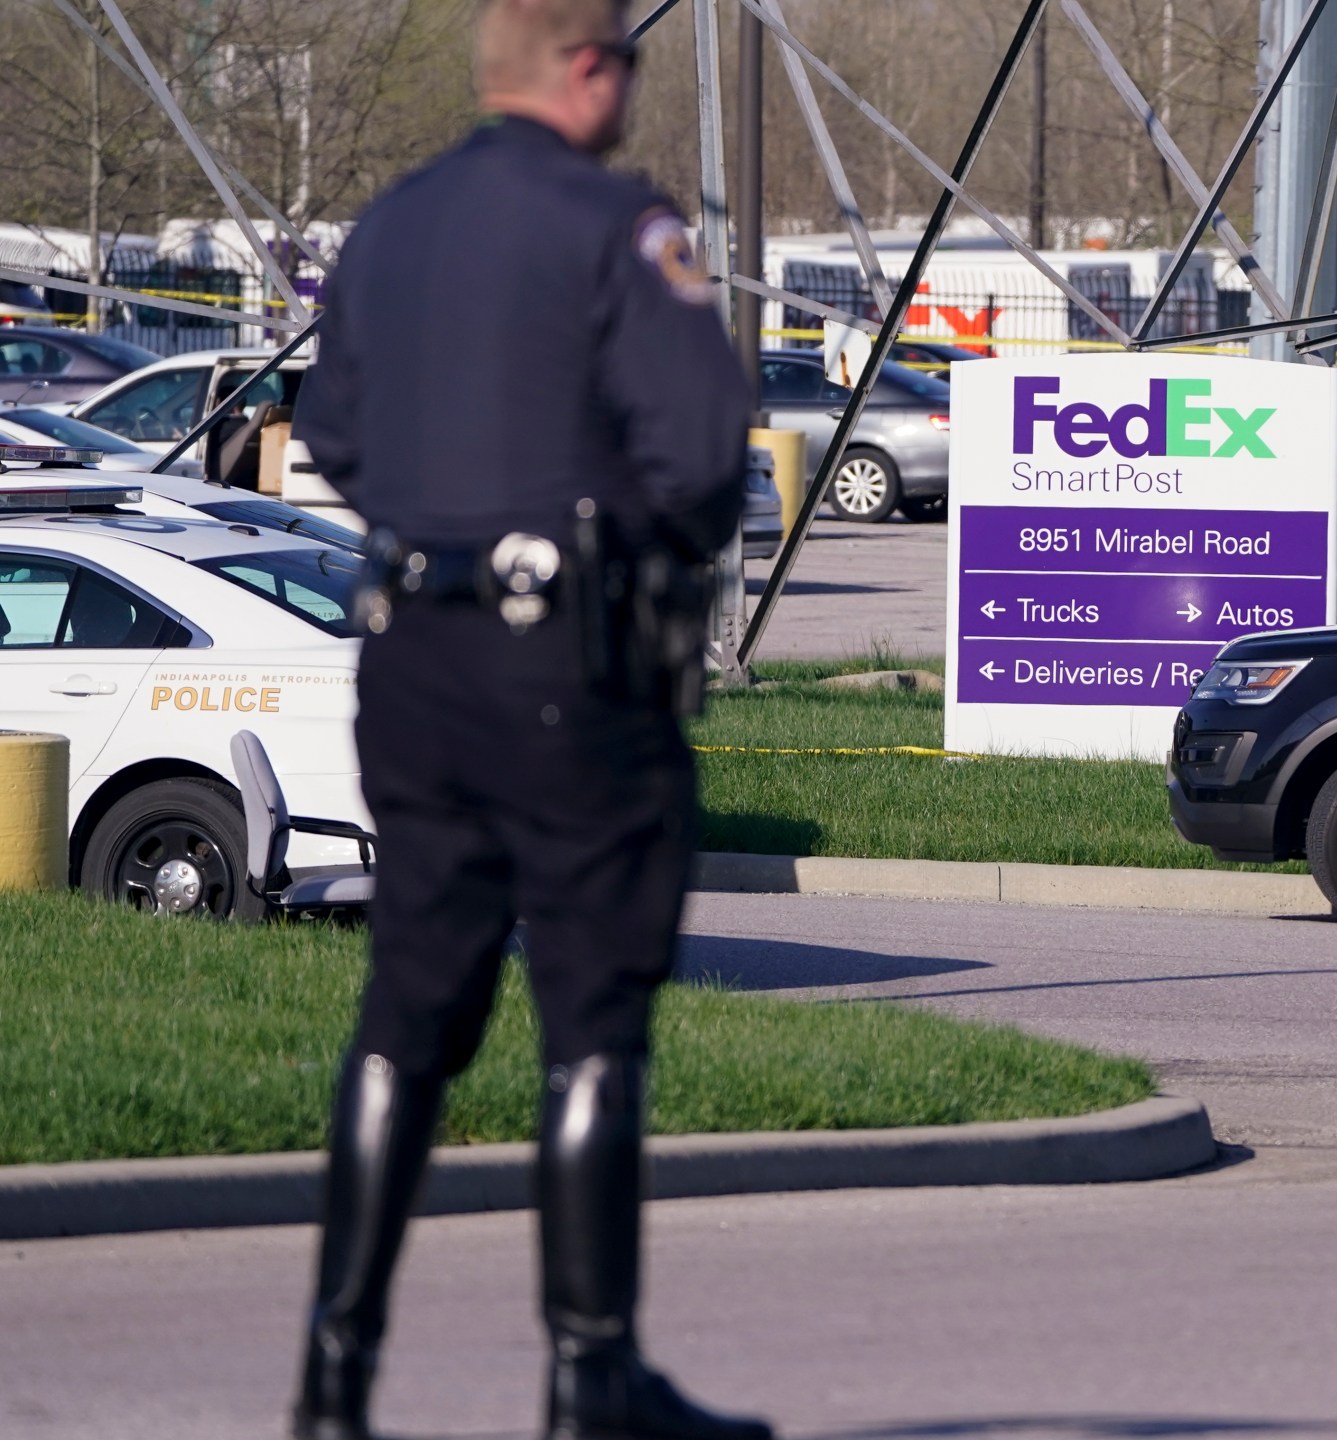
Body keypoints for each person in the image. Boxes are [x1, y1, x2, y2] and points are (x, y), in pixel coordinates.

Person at [286, 3, 766, 1438]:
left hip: (408, 664)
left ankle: (332, 1384)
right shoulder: (619, 228)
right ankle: (588, 1375)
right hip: (569, 669)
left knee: (408, 1012)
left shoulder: (392, 227)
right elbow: (697, 458)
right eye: (622, 58)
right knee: (592, 1018)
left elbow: (334, 433)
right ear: (581, 67)